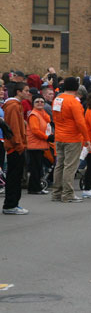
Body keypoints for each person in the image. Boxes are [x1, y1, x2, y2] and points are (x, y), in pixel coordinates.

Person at [52, 77, 91, 203]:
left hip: (59, 136)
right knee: (70, 166)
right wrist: (86, 139)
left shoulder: (57, 99)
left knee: (60, 165)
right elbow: (80, 123)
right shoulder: (74, 102)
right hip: (72, 137)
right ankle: (68, 194)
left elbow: (55, 118)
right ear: (76, 88)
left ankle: (56, 193)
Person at [2, 82, 30, 214]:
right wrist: (19, 145)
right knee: (14, 177)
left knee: (16, 176)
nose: (28, 93)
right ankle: (10, 205)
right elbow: (13, 128)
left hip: (16, 146)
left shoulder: (15, 105)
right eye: (26, 90)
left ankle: (13, 204)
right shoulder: (13, 106)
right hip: (15, 147)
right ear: (18, 92)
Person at [26, 95, 52, 195]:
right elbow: (35, 130)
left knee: (38, 167)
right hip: (34, 145)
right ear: (33, 104)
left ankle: (36, 187)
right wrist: (47, 137)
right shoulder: (34, 115)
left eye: (42, 101)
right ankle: (34, 188)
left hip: (40, 144)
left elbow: (48, 121)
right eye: (37, 102)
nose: (40, 103)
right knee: (35, 168)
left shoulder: (41, 114)